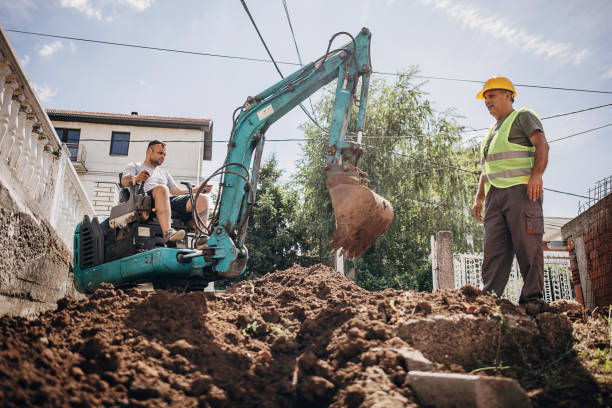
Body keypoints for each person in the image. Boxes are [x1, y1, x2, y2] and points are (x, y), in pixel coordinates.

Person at [471, 76, 550, 305]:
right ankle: (489, 299)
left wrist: (536, 176)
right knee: (493, 249)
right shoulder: (491, 132)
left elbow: (542, 145)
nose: (487, 101)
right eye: (485, 97)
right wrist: (479, 198)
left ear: (508, 96)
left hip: (522, 192)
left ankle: (532, 300)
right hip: (495, 196)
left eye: (491, 95)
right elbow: (486, 168)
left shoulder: (522, 116)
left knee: (528, 246)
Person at [121, 140, 211, 244]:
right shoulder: (135, 166)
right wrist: (136, 178)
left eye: (164, 154)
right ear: (150, 151)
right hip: (146, 200)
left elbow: (177, 192)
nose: (163, 156)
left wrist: (199, 190)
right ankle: (168, 233)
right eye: (160, 153)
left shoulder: (164, 173)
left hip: (165, 199)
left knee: (202, 199)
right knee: (162, 189)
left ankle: (201, 238)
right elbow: (124, 181)